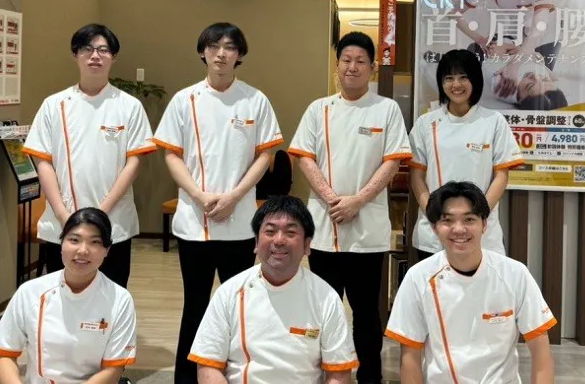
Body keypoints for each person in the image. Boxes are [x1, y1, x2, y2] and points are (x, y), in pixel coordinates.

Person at [152, 22, 283, 384]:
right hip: (194, 222)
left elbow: (265, 155)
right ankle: (187, 379)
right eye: (214, 46)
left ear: (240, 54)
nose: (221, 54)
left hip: (239, 223)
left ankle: (237, 374)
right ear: (203, 52)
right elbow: (172, 155)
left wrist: (235, 196)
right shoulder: (185, 100)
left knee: (239, 305)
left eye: (229, 47)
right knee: (195, 303)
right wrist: (198, 195)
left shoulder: (255, 100)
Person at [289, 31, 412, 384]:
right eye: (346, 60)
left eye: (360, 61)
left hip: (366, 231)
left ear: (372, 68)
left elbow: (392, 161)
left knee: (366, 313)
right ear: (337, 66)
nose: (352, 67)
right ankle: (323, 374)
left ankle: (370, 377)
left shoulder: (386, 109)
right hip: (325, 228)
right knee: (323, 309)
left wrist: (357, 200)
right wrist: (333, 199)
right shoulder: (319, 109)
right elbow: (305, 158)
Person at [22, 24, 156, 289]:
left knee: (112, 294)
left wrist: (100, 215)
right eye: (87, 49)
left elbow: (134, 163)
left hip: (113, 222)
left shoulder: (129, 106)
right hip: (62, 223)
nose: (95, 55)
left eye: (103, 50)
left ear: (113, 57)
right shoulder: (54, 105)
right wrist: (63, 215)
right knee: (62, 295)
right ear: (76, 55)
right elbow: (43, 161)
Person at [385, 182, 557, 384]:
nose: (459, 229)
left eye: (469, 219)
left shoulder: (515, 274)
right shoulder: (418, 278)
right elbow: (410, 359)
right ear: (434, 227)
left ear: (484, 224)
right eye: (447, 220)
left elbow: (541, 351)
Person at [188, 196, 358, 383]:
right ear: (256, 242)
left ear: (307, 245)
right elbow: (209, 366)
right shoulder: (229, 293)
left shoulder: (326, 298)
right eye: (270, 231)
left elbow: (339, 374)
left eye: (290, 232)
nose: (279, 240)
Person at [0, 208, 138, 384]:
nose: (83, 250)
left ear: (107, 250)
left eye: (95, 242)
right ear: (61, 244)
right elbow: (4, 354)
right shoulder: (30, 292)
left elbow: (113, 370)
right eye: (74, 240)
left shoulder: (120, 300)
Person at [408, 49, 522, 259]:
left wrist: (477, 216)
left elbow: (501, 176)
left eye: (463, 77)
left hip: (482, 235)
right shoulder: (426, 123)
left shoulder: (494, 121)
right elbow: (417, 178)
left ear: (475, 80)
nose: (456, 84)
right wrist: (434, 216)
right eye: (449, 78)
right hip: (434, 235)